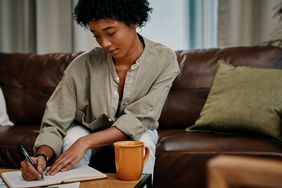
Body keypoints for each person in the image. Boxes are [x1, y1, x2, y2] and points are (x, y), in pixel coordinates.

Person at [20, 0, 180, 181]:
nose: (105, 43)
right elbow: (55, 121)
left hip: (138, 131)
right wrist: (41, 157)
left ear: (134, 21)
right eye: (96, 36)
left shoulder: (164, 59)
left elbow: (140, 118)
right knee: (72, 137)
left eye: (111, 33)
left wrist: (85, 143)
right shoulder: (82, 65)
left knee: (143, 144)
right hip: (89, 130)